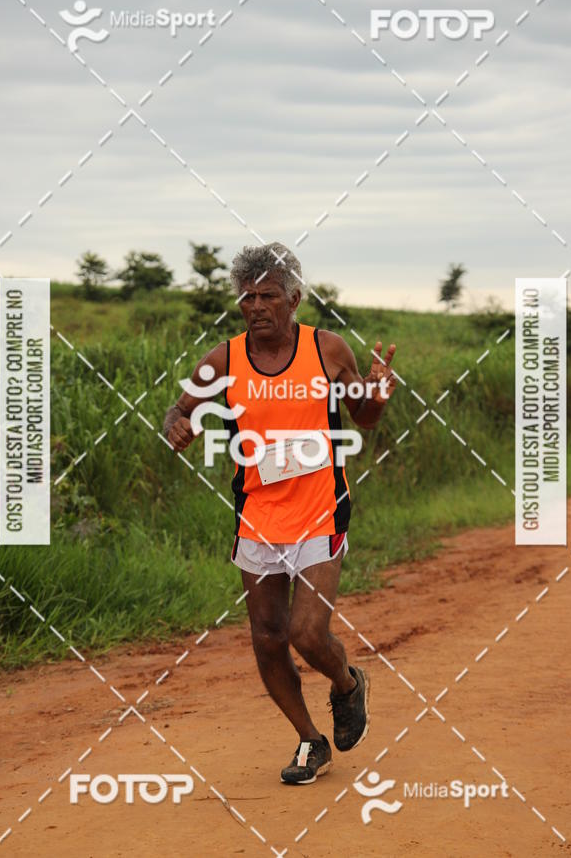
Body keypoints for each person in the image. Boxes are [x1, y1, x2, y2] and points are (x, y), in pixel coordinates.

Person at [163, 242, 397, 784]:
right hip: (258, 516)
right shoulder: (224, 359)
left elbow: (363, 416)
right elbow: (182, 406)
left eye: (268, 295)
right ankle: (310, 742)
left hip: (320, 509)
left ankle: (347, 685)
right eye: (247, 297)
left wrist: (378, 396)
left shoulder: (328, 350)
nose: (257, 306)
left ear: (294, 299)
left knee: (307, 633)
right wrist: (176, 422)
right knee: (267, 636)